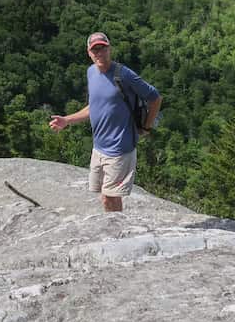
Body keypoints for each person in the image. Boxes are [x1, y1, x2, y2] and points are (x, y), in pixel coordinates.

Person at [49, 32, 162, 212]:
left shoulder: (124, 75)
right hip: (99, 148)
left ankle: (117, 235)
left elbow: (155, 98)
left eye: (103, 48)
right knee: (105, 196)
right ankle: (117, 231)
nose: (99, 53)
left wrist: (147, 126)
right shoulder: (91, 72)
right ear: (89, 52)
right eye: (95, 49)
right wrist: (67, 120)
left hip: (120, 149)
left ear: (109, 49)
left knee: (110, 198)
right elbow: (94, 106)